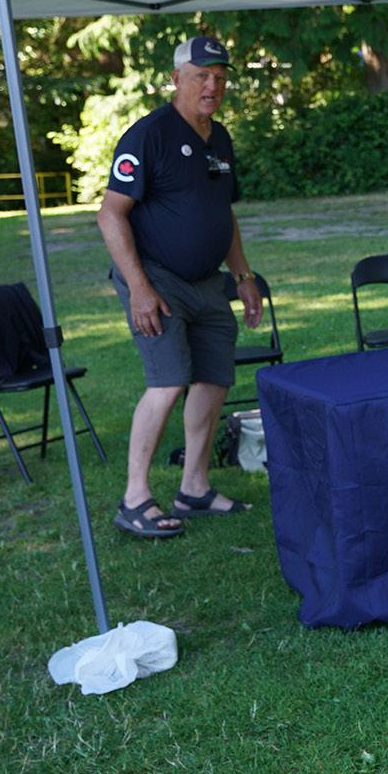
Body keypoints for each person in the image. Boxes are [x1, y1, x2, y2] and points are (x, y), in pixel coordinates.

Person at [97, 35, 262, 539]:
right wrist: (139, 287)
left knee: (213, 379)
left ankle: (194, 487)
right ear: (176, 79)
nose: (212, 86)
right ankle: (134, 498)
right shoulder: (149, 135)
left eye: (220, 77)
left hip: (208, 282)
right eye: (201, 76)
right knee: (168, 382)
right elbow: (110, 215)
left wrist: (243, 276)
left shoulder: (220, 137)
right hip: (157, 280)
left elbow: (222, 213)